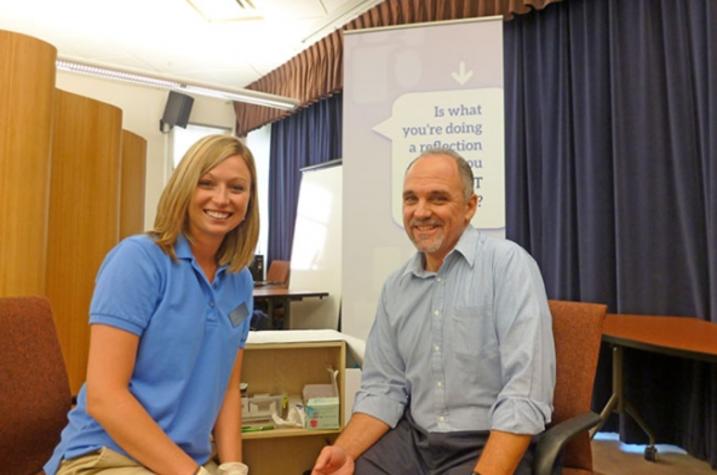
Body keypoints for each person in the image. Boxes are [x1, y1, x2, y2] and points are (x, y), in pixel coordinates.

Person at [312, 149, 555, 475]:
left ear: (470, 207)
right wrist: (343, 452)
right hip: (414, 442)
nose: (421, 212)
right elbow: (383, 389)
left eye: (437, 199)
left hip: (486, 440)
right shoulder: (396, 287)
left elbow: (525, 392)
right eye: (411, 199)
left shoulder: (510, 267)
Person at [44, 135, 260, 475]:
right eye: (206, 183)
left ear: (250, 199)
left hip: (187, 461)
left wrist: (233, 466)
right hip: (106, 455)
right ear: (184, 187)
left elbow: (228, 387)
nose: (222, 199)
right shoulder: (138, 261)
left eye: (236, 188)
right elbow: (105, 396)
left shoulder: (240, 280)